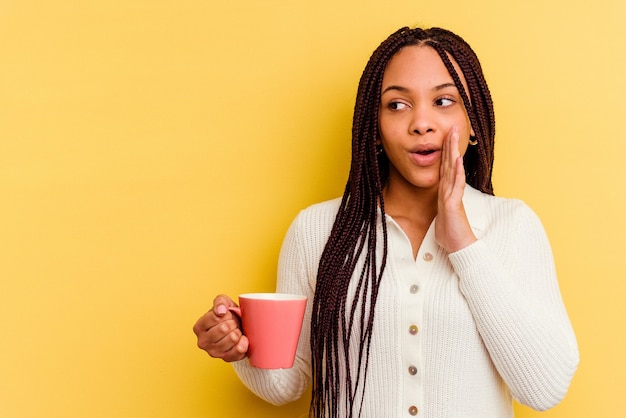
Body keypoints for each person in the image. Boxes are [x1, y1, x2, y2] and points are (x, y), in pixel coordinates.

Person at [193, 26, 579, 418]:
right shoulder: (317, 231)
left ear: (474, 121)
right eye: (397, 105)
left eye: (443, 101)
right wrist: (241, 346)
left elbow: (544, 388)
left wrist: (463, 242)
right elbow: (288, 384)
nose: (421, 123)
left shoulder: (512, 226)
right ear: (373, 129)